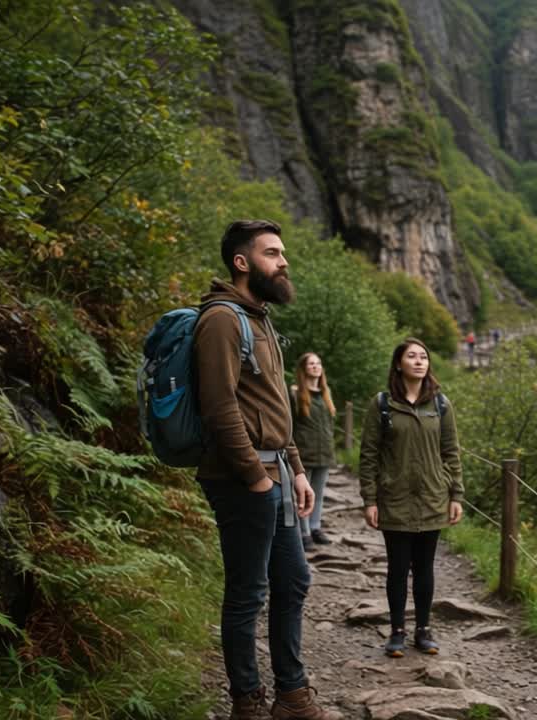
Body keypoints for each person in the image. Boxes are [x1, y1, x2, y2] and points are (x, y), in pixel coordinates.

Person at [195, 219, 338, 720]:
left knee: (293, 579)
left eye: (282, 253)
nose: (284, 262)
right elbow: (219, 405)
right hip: (242, 478)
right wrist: (255, 479)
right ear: (242, 262)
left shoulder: (260, 318)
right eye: (273, 253)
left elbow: (274, 405)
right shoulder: (221, 320)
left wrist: (295, 468)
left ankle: (292, 696)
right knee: (247, 593)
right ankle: (247, 701)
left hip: (274, 472)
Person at [359, 338, 464, 658]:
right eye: (412, 356)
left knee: (425, 568)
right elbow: (369, 455)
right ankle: (397, 632)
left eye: (424, 357)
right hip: (395, 498)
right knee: (397, 567)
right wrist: (370, 498)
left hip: (433, 497)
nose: (419, 361)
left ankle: (423, 629)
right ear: (398, 364)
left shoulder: (441, 405)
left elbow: (451, 452)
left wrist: (456, 493)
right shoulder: (383, 404)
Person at [291, 352, 336, 548]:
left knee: (318, 493)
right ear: (304, 368)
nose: (316, 366)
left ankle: (315, 527)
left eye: (318, 363)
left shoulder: (326, 394)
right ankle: (304, 533)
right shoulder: (295, 393)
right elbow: (289, 425)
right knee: (302, 495)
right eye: (311, 364)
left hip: (324, 453)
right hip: (304, 454)